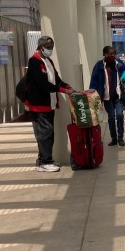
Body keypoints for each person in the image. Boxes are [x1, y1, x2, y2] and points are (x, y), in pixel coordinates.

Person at [24, 36, 75, 172]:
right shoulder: (34, 62)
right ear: (41, 47)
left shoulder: (48, 61)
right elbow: (43, 84)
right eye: (48, 47)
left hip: (49, 104)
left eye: (52, 47)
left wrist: (67, 86)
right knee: (44, 133)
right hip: (39, 104)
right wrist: (63, 90)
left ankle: (42, 161)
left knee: (48, 133)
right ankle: (45, 162)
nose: (50, 50)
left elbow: (56, 79)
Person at [90, 45, 125, 146]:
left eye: (113, 54)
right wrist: (93, 94)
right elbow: (94, 81)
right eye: (109, 54)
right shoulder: (98, 66)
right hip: (107, 97)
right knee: (111, 117)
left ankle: (120, 138)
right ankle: (114, 138)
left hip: (118, 95)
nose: (112, 56)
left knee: (119, 115)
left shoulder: (120, 65)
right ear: (104, 54)